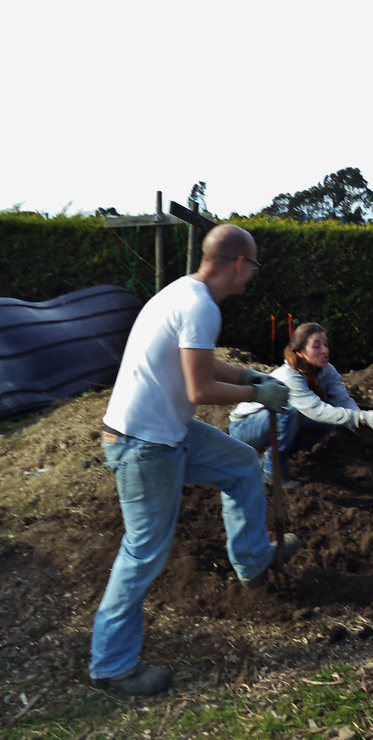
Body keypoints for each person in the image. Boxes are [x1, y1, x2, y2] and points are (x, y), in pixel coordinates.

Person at [91, 224, 300, 696]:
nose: (251, 277)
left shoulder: (182, 293)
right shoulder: (200, 307)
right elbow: (199, 390)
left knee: (242, 463)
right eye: (253, 267)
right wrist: (256, 394)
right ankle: (112, 664)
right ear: (239, 264)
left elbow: (200, 365)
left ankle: (252, 561)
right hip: (144, 444)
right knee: (144, 552)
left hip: (166, 431)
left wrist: (250, 374)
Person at [228, 322, 373, 487]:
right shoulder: (289, 376)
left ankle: (269, 460)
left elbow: (341, 399)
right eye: (317, 346)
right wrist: (361, 418)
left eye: (325, 345)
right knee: (290, 411)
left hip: (270, 422)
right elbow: (316, 410)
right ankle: (272, 473)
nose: (324, 350)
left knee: (327, 423)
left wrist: (361, 416)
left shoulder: (327, 370)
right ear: (300, 352)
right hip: (245, 426)